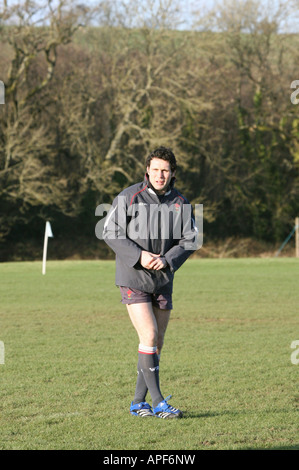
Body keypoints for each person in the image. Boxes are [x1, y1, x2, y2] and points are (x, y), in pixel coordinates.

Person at [103, 146, 197, 419]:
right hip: (133, 276)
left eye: (165, 170)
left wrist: (167, 259)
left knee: (157, 342)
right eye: (155, 169)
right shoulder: (129, 196)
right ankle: (158, 403)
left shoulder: (181, 202)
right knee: (149, 335)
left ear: (173, 173)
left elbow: (190, 239)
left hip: (163, 278)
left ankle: (137, 402)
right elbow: (109, 231)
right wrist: (139, 256)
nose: (160, 175)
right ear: (147, 171)